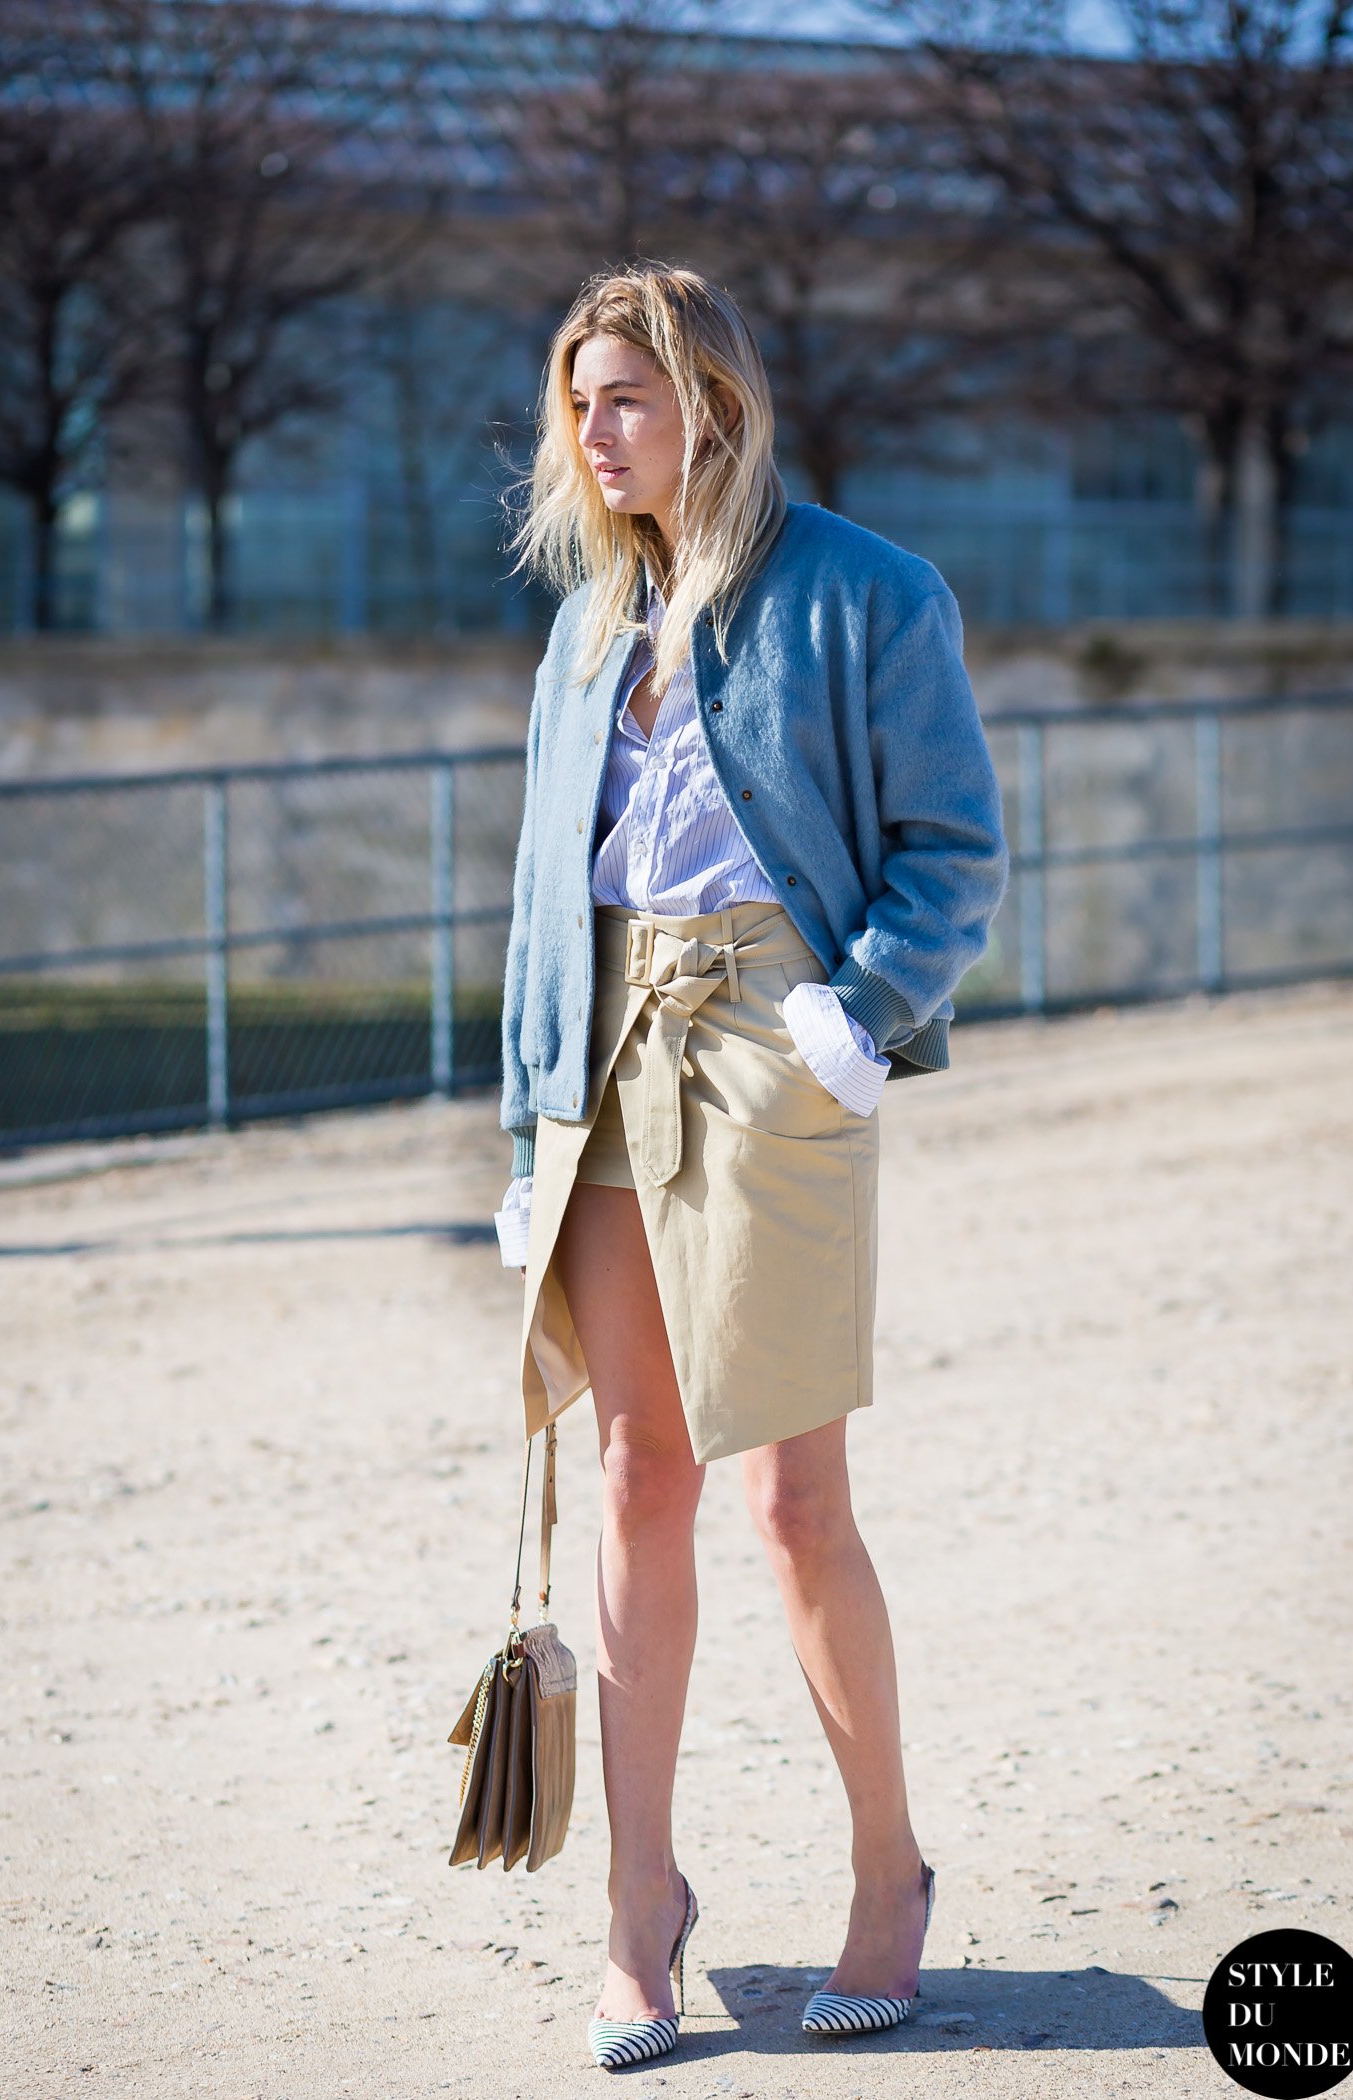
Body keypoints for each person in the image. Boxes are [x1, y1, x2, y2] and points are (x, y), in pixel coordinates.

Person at [492, 261, 1008, 2070]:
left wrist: (860, 1016)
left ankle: (888, 1879)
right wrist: (523, 1118)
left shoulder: (872, 591)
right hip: (606, 1058)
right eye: (579, 401)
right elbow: (550, 899)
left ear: (709, 397)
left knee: (795, 1503)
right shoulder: (580, 629)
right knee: (637, 1477)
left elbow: (953, 848)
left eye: (623, 396)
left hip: (781, 1049)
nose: (592, 431)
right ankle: (643, 1910)